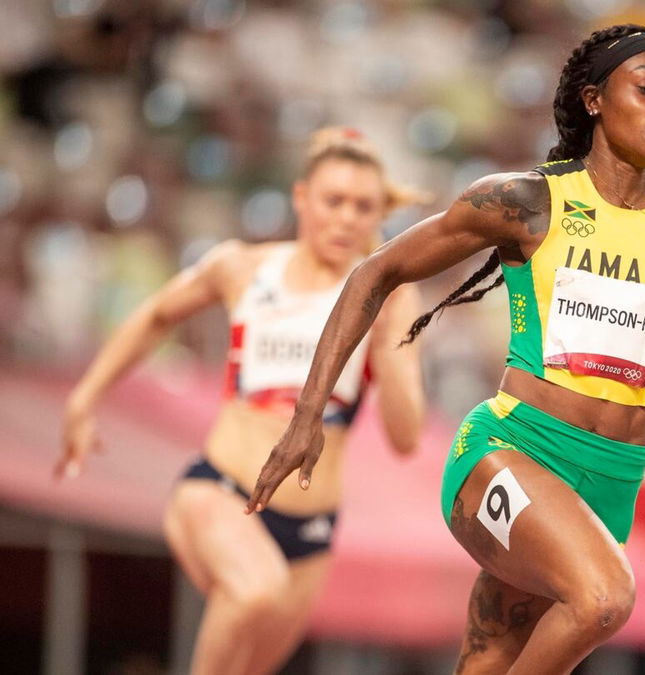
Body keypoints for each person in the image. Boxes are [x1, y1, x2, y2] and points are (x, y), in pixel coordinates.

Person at [247, 24, 645, 674]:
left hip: (611, 486)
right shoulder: (530, 202)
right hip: (508, 455)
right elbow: (375, 272)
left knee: (491, 659)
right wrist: (309, 412)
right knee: (603, 597)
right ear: (594, 100)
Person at [56, 127, 426, 675]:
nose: (347, 218)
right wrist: (82, 401)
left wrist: (391, 332)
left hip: (311, 532)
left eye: (363, 207)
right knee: (256, 590)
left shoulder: (387, 295)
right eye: (334, 201)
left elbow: (405, 438)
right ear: (302, 198)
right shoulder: (244, 267)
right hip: (220, 492)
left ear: (379, 217)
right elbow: (156, 315)